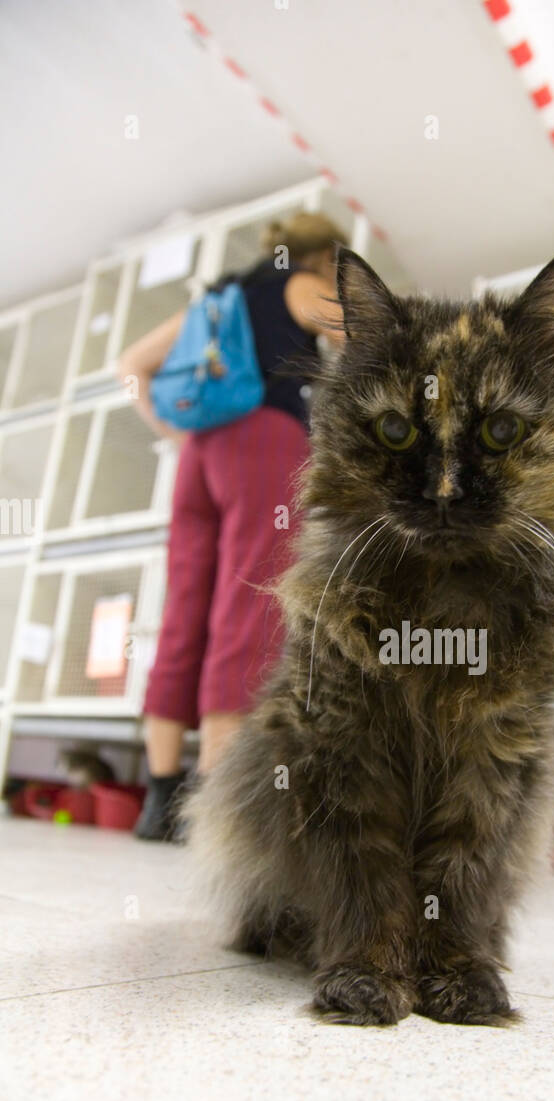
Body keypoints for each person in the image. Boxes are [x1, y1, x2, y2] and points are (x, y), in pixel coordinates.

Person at [117, 211, 346, 840]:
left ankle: (160, 800)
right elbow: (368, 336)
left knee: (184, 608)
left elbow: (132, 361)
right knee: (250, 602)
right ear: (326, 256)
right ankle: (217, 806)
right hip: (264, 441)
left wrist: (174, 430)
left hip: (199, 455)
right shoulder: (301, 285)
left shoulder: (216, 300)